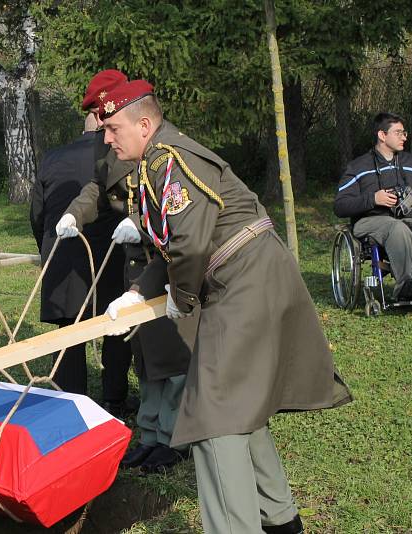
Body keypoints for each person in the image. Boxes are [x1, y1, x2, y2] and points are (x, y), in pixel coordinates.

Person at [100, 80, 352, 533]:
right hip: (251, 274)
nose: (106, 137)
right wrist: (139, 292)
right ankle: (280, 520)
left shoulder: (167, 159)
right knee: (239, 407)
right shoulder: (159, 159)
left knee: (213, 414)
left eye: (113, 127)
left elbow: (192, 245)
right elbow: (173, 244)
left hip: (242, 281)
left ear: (143, 124)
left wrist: (179, 298)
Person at [56, 70, 197, 474]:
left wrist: (140, 220)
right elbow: (97, 189)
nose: (102, 129)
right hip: (135, 265)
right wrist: (74, 216)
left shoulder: (165, 151)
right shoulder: (113, 149)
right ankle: (151, 434)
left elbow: (172, 201)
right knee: (145, 354)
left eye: (106, 118)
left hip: (163, 261)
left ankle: (174, 438)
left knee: (170, 356)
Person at [29, 107, 132, 402]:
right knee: (116, 328)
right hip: (112, 255)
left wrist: (47, 252)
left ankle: (70, 403)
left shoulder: (53, 158)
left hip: (65, 255)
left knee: (68, 335)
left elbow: (37, 214)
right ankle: (115, 398)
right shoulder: (120, 155)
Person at [334, 112, 412, 301]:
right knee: (397, 227)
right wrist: (373, 199)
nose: (404, 137)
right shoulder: (358, 167)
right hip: (372, 221)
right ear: (382, 135)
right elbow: (340, 206)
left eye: (404, 133)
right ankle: (405, 284)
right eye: (398, 132)